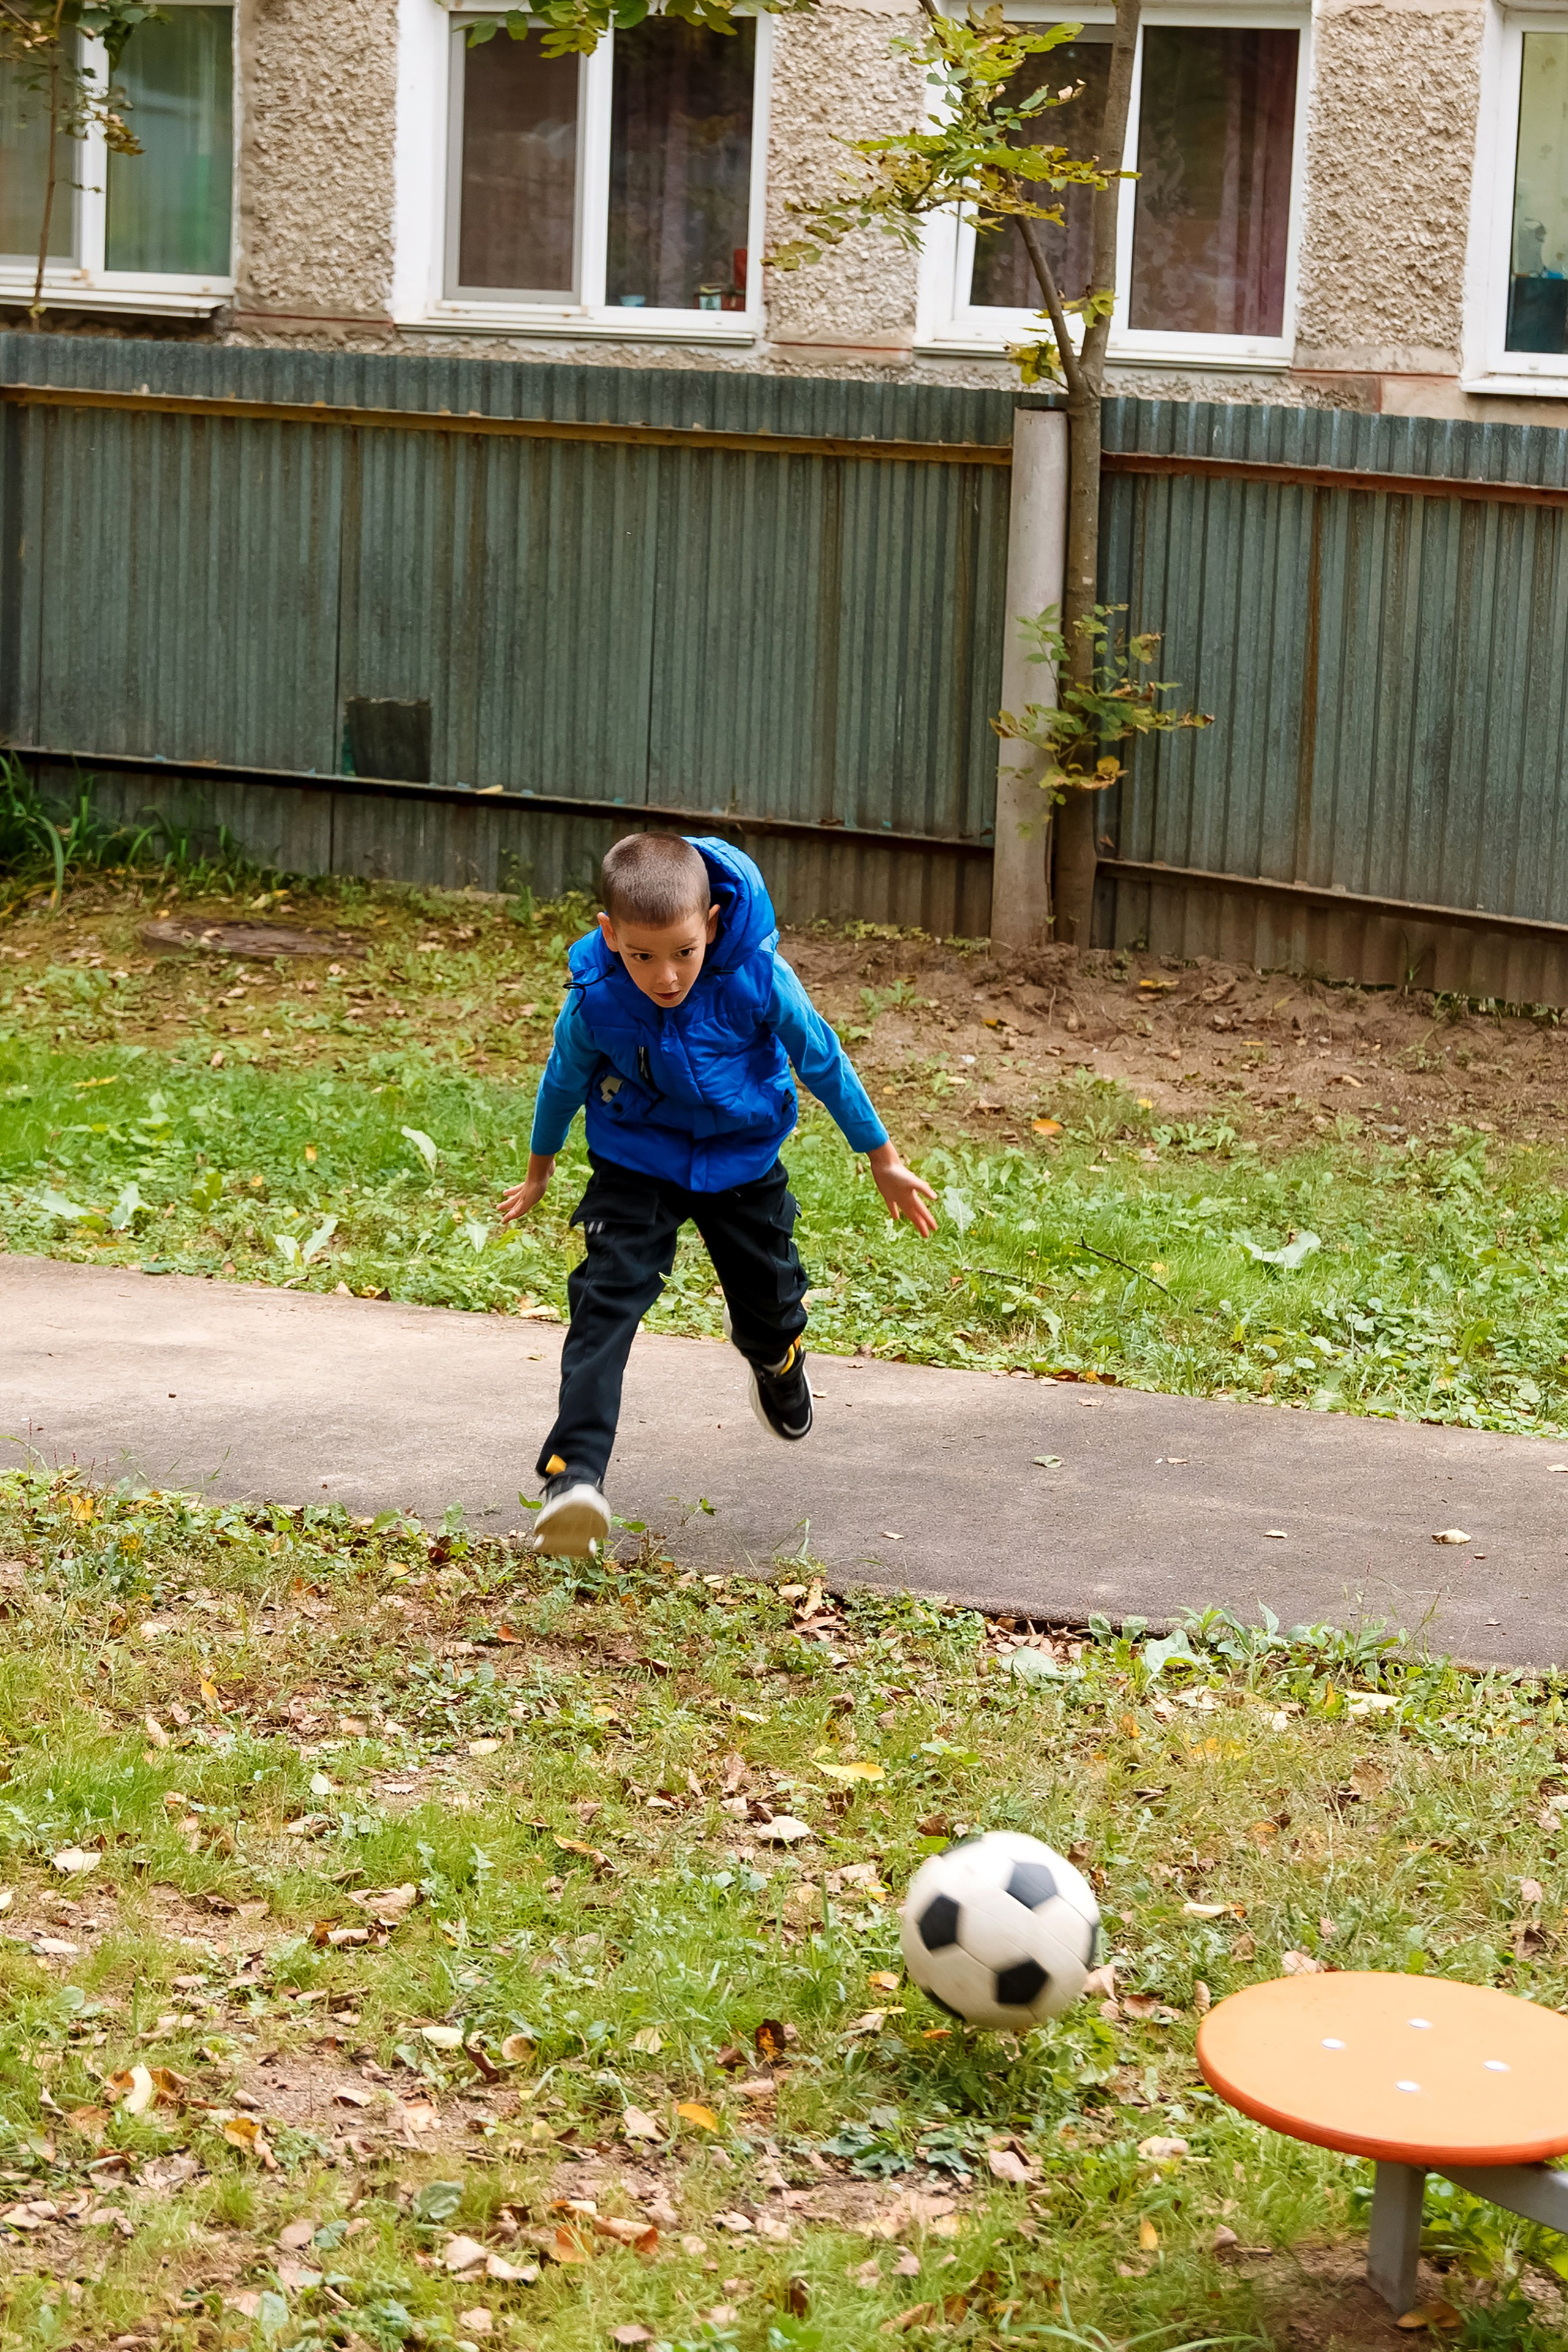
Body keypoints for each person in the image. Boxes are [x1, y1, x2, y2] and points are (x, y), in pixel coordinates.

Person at [498, 833, 937, 1556]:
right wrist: (541, 1168)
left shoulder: (756, 977)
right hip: (636, 1161)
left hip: (741, 1162)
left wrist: (882, 1158)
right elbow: (562, 1081)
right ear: (609, 936)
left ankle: (778, 1360)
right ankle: (572, 1477)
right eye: (640, 956)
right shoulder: (596, 1000)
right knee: (604, 1304)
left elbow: (821, 1060)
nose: (664, 976)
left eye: (682, 951)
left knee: (768, 1306)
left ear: (710, 921)